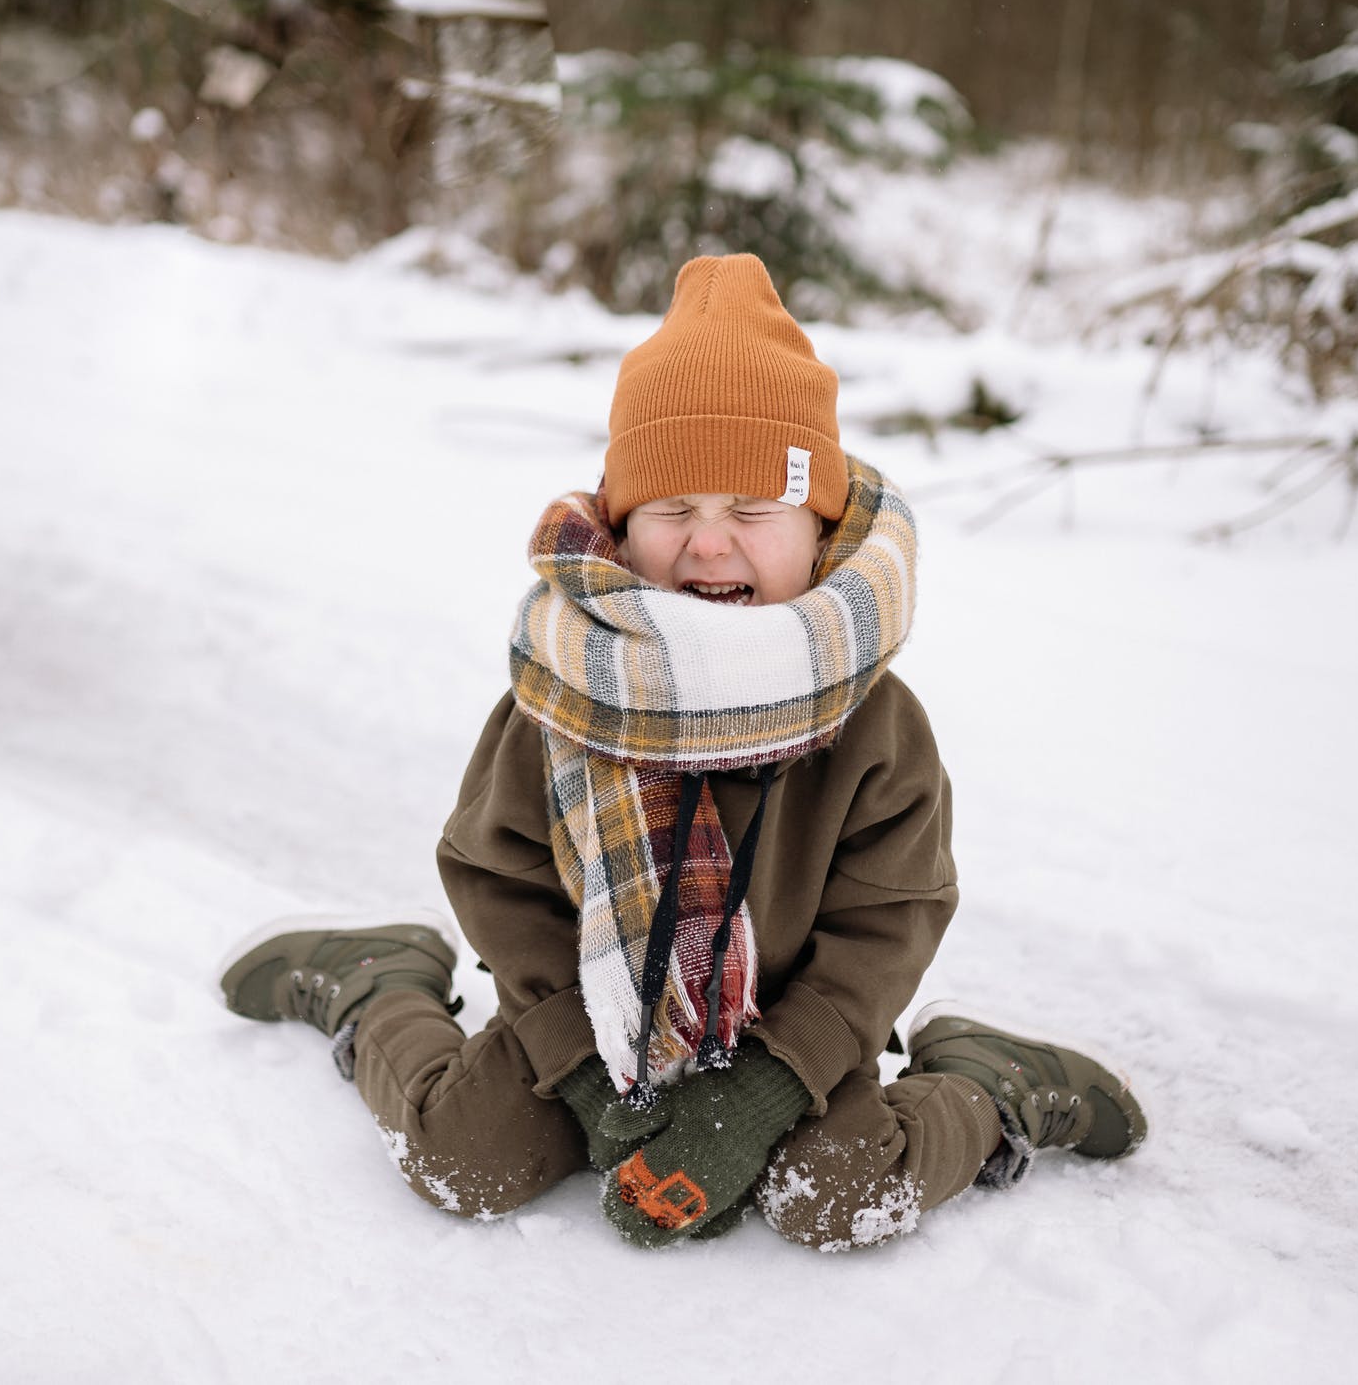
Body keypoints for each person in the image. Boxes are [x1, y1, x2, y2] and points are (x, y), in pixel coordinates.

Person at [219, 254, 1145, 1249]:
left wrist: (764, 1094)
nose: (710, 547)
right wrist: (577, 1072)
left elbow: (891, 916)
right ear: (621, 525)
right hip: (587, 1015)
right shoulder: (568, 685)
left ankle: (991, 1087)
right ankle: (376, 985)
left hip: (796, 1037)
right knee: (463, 1160)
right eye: (673, 513)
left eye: (751, 512)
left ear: (818, 525)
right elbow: (500, 879)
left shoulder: (874, 721)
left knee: (834, 1197)